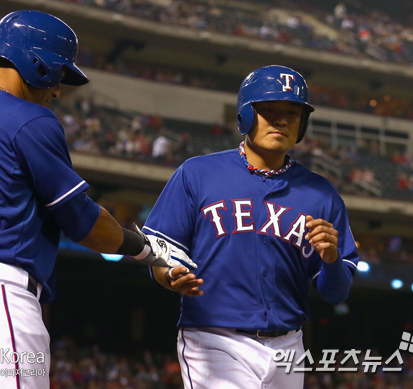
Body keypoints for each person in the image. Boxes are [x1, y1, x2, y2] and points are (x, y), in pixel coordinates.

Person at [0, 10, 195, 389]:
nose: (58, 89)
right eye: (59, 74)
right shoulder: (28, 117)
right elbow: (86, 223)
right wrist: (146, 248)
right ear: (37, 63)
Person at [144, 65, 359, 389]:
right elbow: (160, 250)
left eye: (292, 112)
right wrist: (169, 275)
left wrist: (330, 261)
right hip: (214, 338)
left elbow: (336, 292)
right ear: (245, 114)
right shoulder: (198, 173)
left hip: (289, 346)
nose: (282, 120)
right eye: (269, 110)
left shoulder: (321, 193)